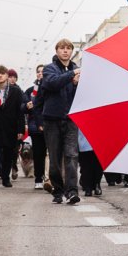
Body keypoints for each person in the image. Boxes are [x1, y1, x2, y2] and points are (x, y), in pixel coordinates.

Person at [40, 39, 82, 205]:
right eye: (62, 48)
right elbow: (52, 83)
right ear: (57, 50)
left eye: (68, 48)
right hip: (52, 119)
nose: (65, 51)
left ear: (72, 51)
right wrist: (71, 76)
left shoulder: (75, 68)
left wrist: (78, 84)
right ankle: (58, 190)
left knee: (71, 155)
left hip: (71, 118)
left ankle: (72, 191)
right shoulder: (50, 69)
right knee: (55, 158)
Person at [24, 65, 47, 188]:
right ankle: (39, 178)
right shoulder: (29, 91)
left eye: (43, 72)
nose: (40, 74)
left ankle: (51, 178)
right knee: (39, 154)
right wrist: (27, 106)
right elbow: (22, 107)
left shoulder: (52, 88)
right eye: (38, 72)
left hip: (51, 124)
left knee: (53, 154)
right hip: (35, 127)